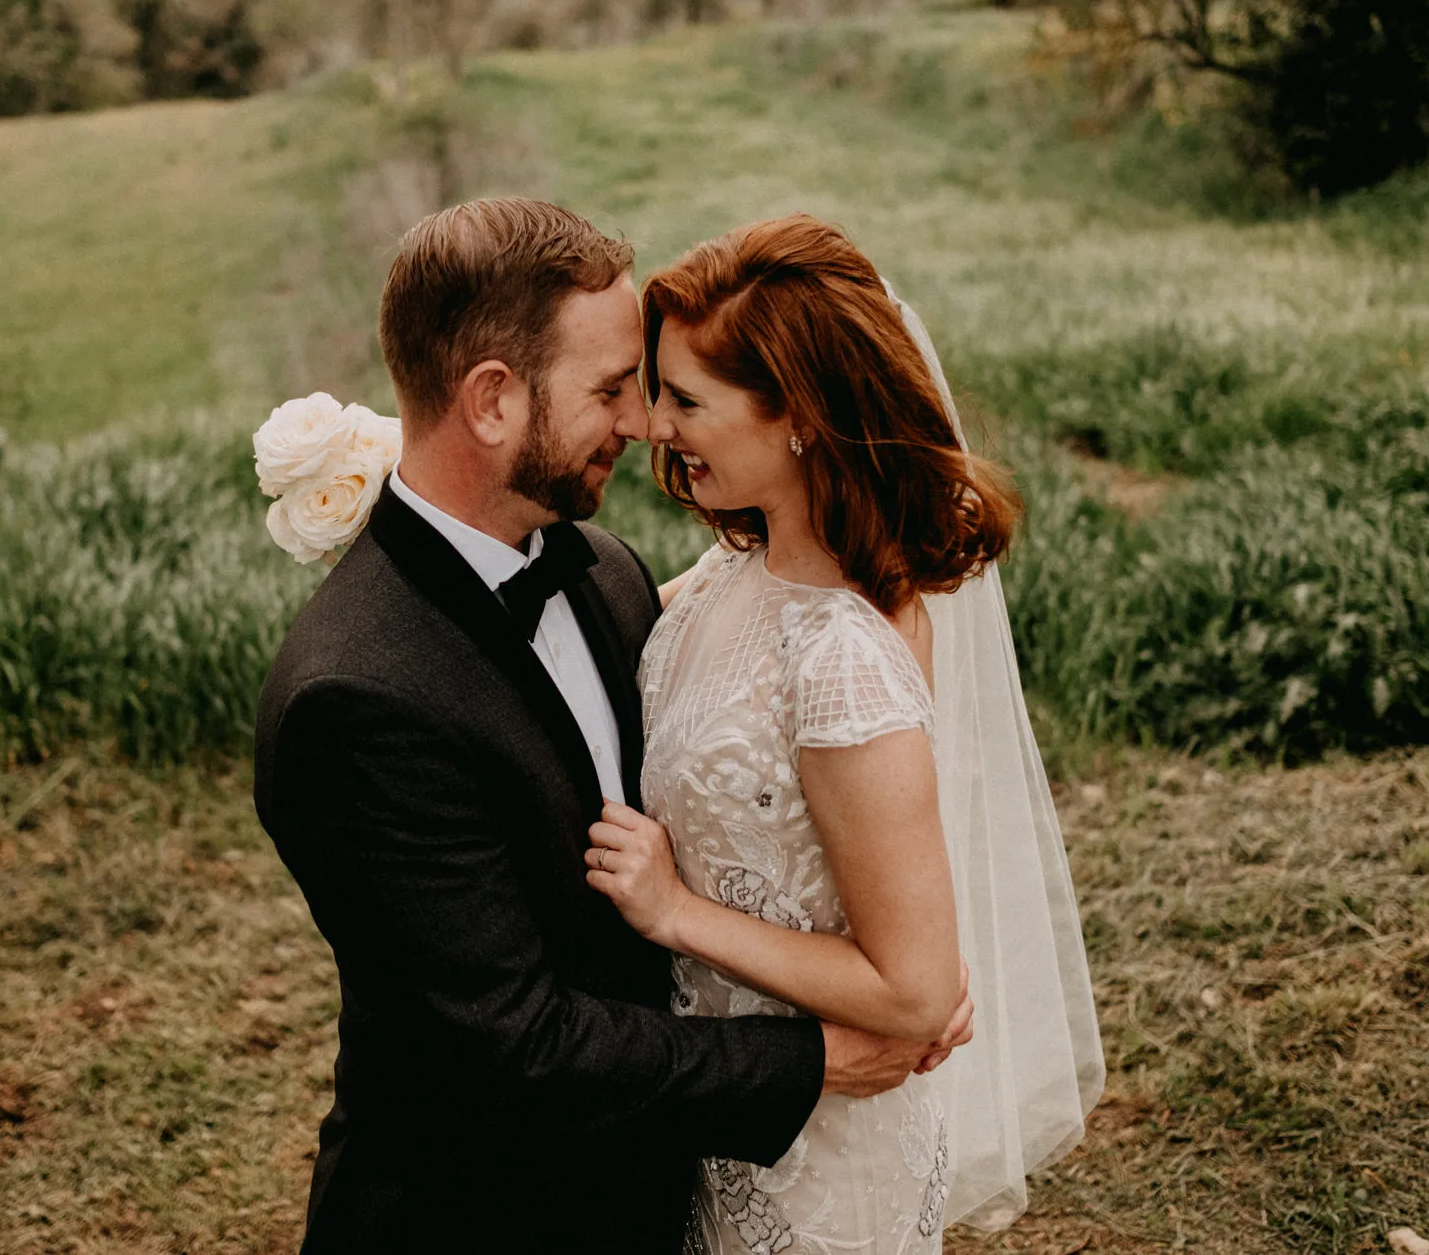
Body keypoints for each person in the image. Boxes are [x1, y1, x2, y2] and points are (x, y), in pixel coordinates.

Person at [253, 198, 971, 1255]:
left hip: (671, 1186)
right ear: (491, 403)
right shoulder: (355, 700)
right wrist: (819, 1059)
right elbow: (516, 1049)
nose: (639, 425)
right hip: (489, 1219)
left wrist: (896, 970)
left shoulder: (605, 571)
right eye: (608, 390)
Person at [587, 213, 1103, 1251]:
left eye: (685, 399)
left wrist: (674, 911)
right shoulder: (729, 578)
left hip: (822, 1169)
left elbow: (913, 991)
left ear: (800, 420)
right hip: (725, 1113)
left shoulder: (841, 658)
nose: (653, 426)